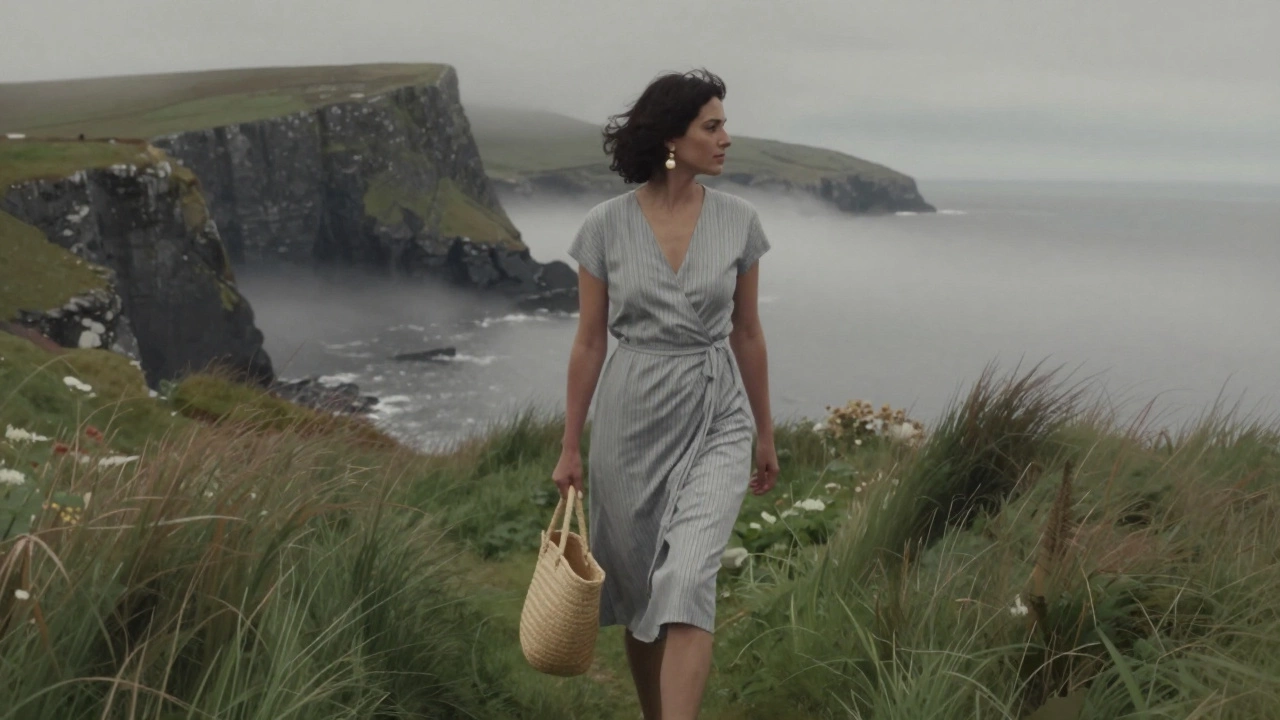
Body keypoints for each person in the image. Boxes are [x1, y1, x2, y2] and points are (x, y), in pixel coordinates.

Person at [552, 68, 780, 720]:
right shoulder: (605, 227)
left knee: (685, 582)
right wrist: (570, 446)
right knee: (638, 594)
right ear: (673, 138)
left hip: (716, 415)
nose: (727, 138)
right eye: (713, 126)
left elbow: (747, 332)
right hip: (629, 421)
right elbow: (590, 343)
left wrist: (764, 432)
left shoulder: (740, 223)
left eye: (724, 124)